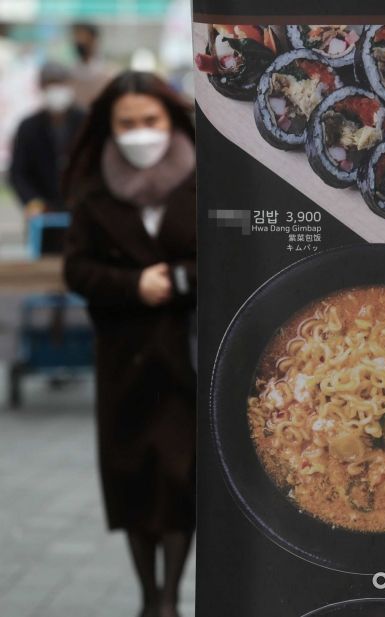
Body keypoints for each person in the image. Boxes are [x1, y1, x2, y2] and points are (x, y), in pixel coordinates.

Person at [63, 71, 197, 617]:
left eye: (150, 120)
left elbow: (232, 252)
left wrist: (178, 280)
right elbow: (77, 269)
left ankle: (168, 600)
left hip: (187, 351)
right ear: (110, 129)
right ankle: (147, 596)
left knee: (182, 477)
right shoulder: (94, 189)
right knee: (133, 478)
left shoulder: (205, 179)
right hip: (125, 355)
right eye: (127, 124)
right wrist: (132, 285)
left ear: (170, 120)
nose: (141, 133)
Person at [9, 61, 85, 218]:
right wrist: (32, 200)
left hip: (81, 209)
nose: (55, 90)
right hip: (43, 212)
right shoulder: (28, 127)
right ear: (41, 88)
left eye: (60, 83)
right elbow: (18, 173)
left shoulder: (85, 121)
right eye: (50, 85)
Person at [71, 22, 117, 108]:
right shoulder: (70, 74)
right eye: (76, 37)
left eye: (83, 37)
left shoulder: (109, 73)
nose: (79, 41)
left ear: (94, 40)